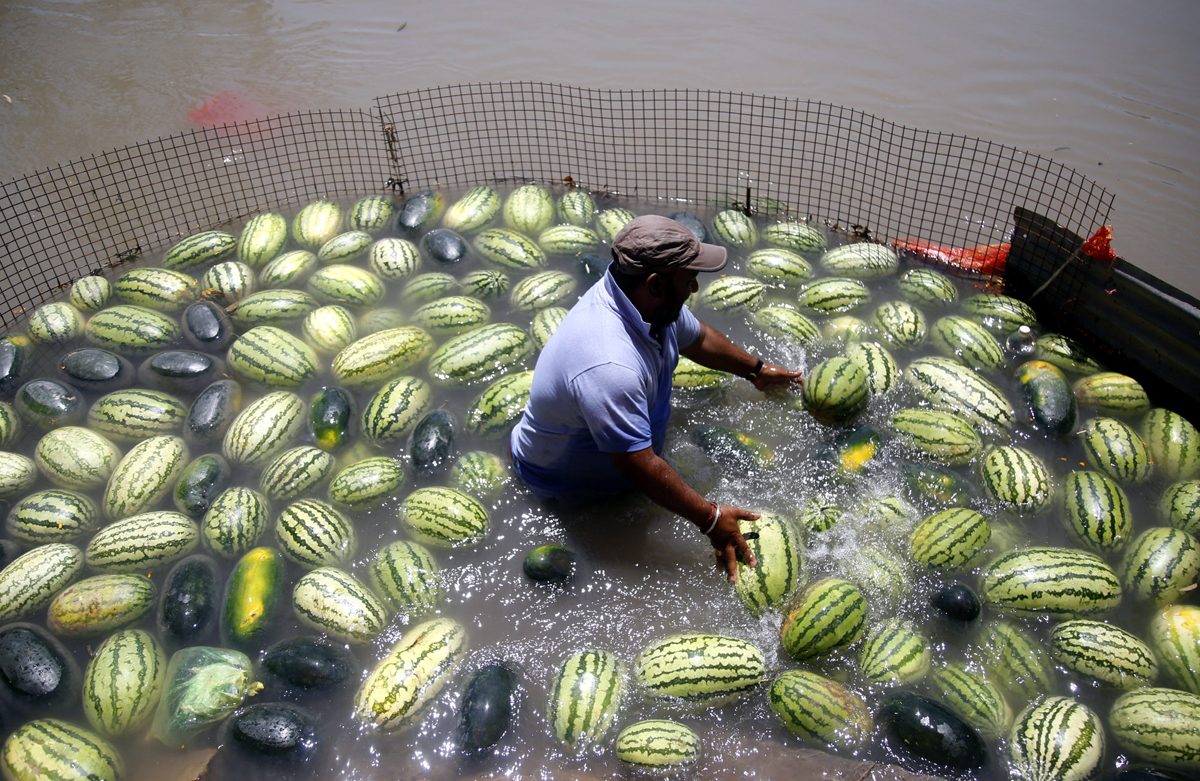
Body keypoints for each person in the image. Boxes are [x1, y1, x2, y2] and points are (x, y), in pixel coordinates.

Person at [509, 215, 804, 582]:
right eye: (688, 279)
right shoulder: (608, 362)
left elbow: (698, 339)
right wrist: (710, 518)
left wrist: (756, 370)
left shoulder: (645, 303)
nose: (695, 287)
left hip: (619, 461)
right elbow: (638, 464)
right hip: (567, 492)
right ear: (654, 284)